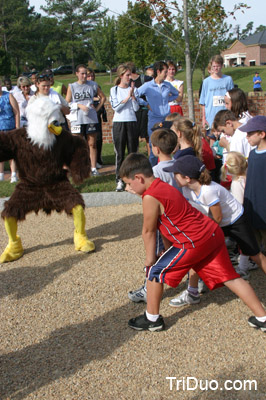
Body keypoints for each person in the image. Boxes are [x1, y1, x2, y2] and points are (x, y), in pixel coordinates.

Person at [119, 153, 266, 332]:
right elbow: (163, 224)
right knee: (230, 277)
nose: (127, 188)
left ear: (138, 178)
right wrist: (167, 250)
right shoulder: (163, 186)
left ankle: (152, 319)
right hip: (212, 233)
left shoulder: (150, 196)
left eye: (128, 183)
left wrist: (150, 261)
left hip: (193, 241)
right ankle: (263, 317)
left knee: (154, 272)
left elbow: (148, 231)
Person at [165, 155, 266, 308]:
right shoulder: (186, 189)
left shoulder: (208, 190)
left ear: (187, 177)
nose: (173, 177)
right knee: (197, 254)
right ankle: (192, 292)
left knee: (255, 254)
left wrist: (204, 236)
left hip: (235, 220)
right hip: (216, 223)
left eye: (175, 174)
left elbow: (217, 217)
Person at [220, 152, 257, 278]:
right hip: (251, 213)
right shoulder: (248, 176)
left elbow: (238, 202)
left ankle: (243, 268)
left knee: (244, 244)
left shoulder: (237, 182)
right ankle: (246, 264)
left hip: (242, 216)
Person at [138, 61, 179, 166]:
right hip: (154, 119)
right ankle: (153, 170)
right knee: (153, 147)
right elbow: (135, 95)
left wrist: (166, 100)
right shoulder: (148, 86)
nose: (167, 74)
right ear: (158, 71)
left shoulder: (167, 85)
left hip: (166, 118)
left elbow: (176, 94)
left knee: (169, 144)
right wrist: (145, 103)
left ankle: (169, 167)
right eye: (165, 72)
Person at [66, 64, 100, 176]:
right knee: (78, 145)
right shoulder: (72, 86)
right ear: (77, 74)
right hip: (77, 118)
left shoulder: (93, 85)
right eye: (82, 73)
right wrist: (79, 105)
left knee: (92, 144)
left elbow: (102, 97)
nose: (85, 76)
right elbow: (67, 102)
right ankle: (79, 168)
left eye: (86, 73)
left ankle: (93, 167)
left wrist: (97, 108)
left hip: (90, 118)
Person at [110, 64, 139, 192]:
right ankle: (120, 180)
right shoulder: (114, 90)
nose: (129, 77)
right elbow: (116, 107)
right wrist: (128, 97)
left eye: (130, 75)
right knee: (120, 153)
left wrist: (133, 97)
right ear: (121, 76)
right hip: (119, 123)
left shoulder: (134, 89)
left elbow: (136, 108)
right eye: (127, 75)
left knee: (132, 152)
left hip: (132, 121)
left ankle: (133, 179)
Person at [240, 116, 266, 254]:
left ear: (262, 134)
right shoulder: (252, 153)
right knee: (254, 246)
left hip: (264, 209)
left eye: (250, 133)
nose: (247, 137)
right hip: (252, 208)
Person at [199, 55, 234, 131]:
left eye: (217, 66)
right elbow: (203, 102)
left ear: (221, 66)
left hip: (225, 116)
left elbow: (232, 99)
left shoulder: (228, 79)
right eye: (214, 66)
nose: (215, 68)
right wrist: (204, 118)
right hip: (211, 117)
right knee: (211, 140)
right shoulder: (206, 82)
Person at [126, 62, 152, 157]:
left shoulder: (144, 79)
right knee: (133, 137)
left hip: (144, 110)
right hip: (133, 111)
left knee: (147, 136)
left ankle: (150, 158)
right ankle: (135, 158)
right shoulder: (126, 82)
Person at [0, 79, 20, 183]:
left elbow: (16, 112)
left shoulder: (8, 96)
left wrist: (17, 127)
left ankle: (13, 175)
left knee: (11, 151)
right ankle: (1, 174)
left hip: (10, 127)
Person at [87, 68, 107, 168]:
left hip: (96, 114)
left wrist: (98, 108)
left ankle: (97, 159)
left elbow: (102, 98)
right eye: (88, 76)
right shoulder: (83, 86)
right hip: (85, 115)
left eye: (92, 76)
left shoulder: (96, 86)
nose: (90, 78)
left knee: (98, 138)